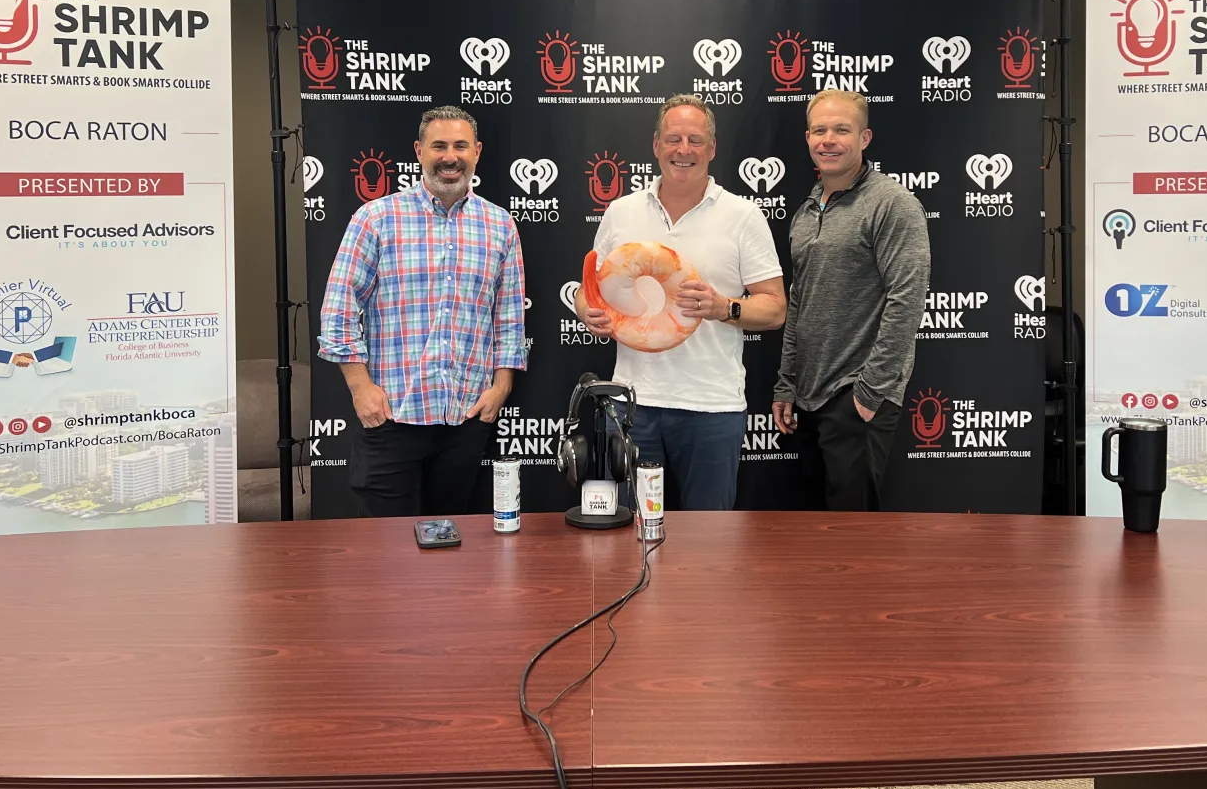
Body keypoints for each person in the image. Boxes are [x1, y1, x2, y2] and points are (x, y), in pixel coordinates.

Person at [576, 94, 785, 510]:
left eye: (695, 139)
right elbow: (589, 288)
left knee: (709, 543)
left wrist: (723, 307)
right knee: (630, 539)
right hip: (632, 405)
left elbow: (775, 308)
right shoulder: (621, 212)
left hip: (711, 406)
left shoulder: (743, 216)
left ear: (712, 148)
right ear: (656, 146)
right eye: (673, 139)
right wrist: (586, 310)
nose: (683, 150)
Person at [318, 106, 526, 517]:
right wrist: (361, 389)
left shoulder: (500, 225)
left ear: (477, 152)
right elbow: (338, 309)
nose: (450, 157)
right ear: (419, 151)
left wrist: (501, 388)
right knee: (385, 555)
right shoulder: (376, 218)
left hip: (464, 419)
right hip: (392, 416)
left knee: (450, 548)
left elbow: (509, 318)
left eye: (460, 146)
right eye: (439, 146)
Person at [772, 90, 931, 511]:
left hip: (857, 395)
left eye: (842, 129)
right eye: (820, 130)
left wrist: (869, 393)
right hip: (808, 395)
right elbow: (799, 302)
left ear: (864, 137)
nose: (829, 139)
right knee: (814, 534)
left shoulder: (893, 204)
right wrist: (788, 383)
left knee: (854, 537)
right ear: (807, 138)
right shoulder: (806, 211)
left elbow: (907, 299)